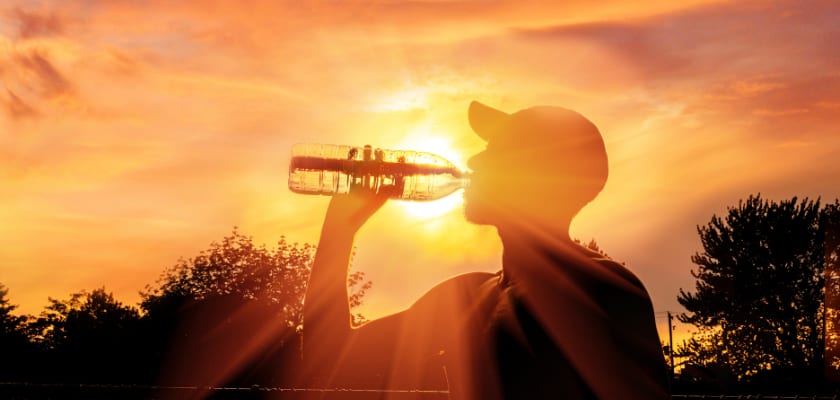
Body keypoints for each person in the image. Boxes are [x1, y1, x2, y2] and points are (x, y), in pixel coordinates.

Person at [298, 101, 670, 399]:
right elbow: (327, 361)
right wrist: (340, 227)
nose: (474, 161)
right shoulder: (467, 297)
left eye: (497, 150)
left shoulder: (601, 291)